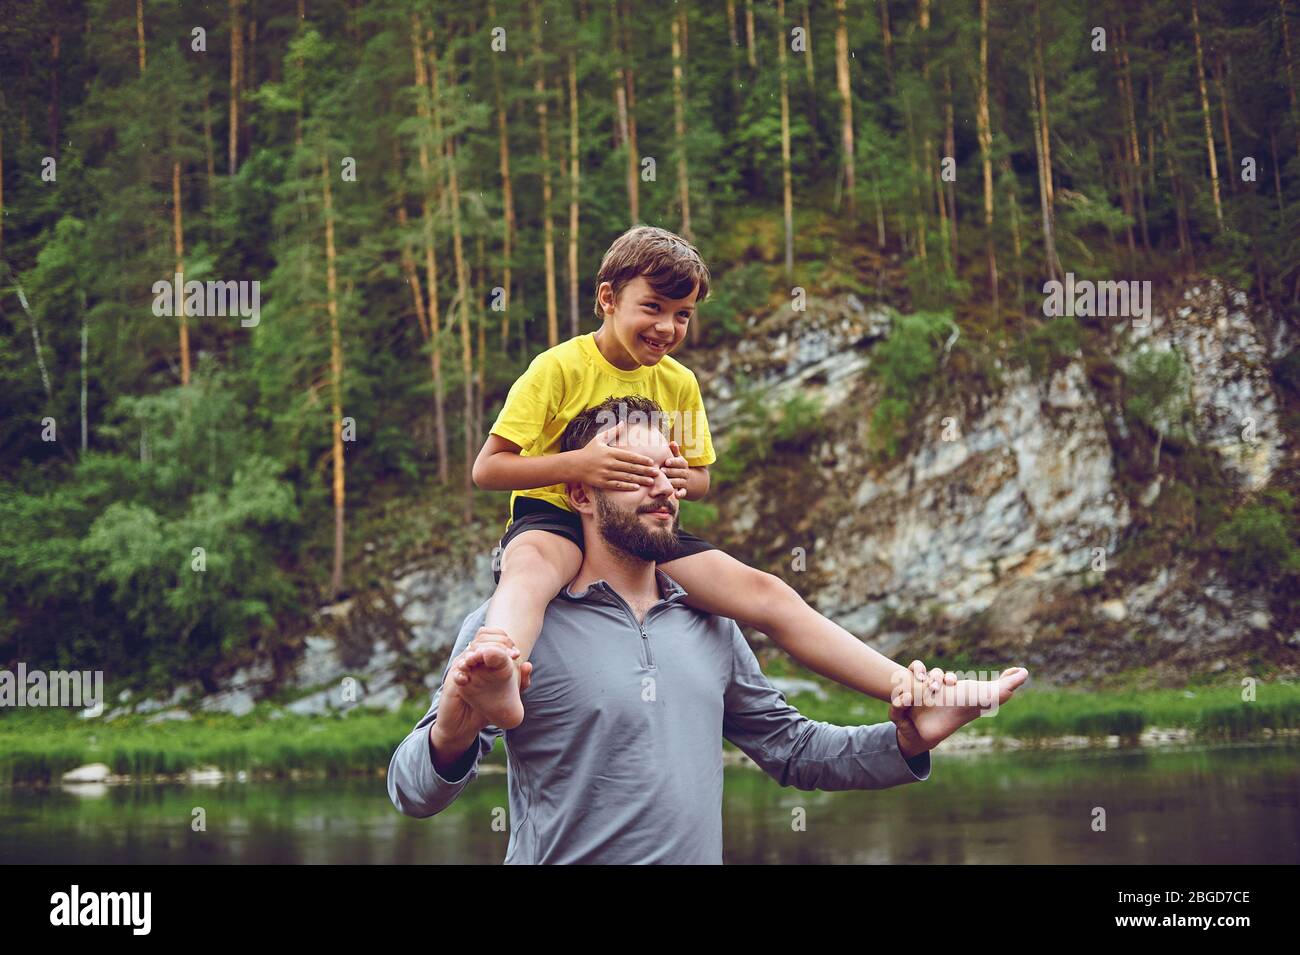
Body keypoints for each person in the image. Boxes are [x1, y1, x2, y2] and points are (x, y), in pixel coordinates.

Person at [388, 399, 1030, 863]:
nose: (666, 489)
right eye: (640, 475)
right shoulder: (514, 624)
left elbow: (794, 750)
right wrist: (452, 732)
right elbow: (410, 792)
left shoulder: (711, 621)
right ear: (581, 496)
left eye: (671, 471)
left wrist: (908, 744)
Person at [470, 224, 1011, 731]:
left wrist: (679, 475)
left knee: (766, 591)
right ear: (608, 300)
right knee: (533, 570)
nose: (666, 328)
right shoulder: (558, 368)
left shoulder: (678, 383)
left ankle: (914, 690)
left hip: (642, 521)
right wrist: (577, 466)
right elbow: (489, 469)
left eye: (682, 315)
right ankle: (499, 669)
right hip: (553, 511)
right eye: (652, 308)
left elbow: (700, 479)